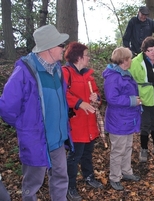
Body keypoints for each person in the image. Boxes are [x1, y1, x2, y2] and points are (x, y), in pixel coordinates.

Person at [0, 24, 71, 201]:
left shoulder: (58, 70)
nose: (64, 48)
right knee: (32, 186)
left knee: (61, 179)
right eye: (60, 45)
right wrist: (27, 126)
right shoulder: (24, 72)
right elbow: (6, 107)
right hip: (36, 142)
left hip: (58, 140)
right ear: (49, 48)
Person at [62, 42, 103, 201]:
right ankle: (69, 186)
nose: (89, 58)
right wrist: (79, 103)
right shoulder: (65, 72)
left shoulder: (88, 75)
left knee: (87, 153)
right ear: (78, 57)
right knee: (74, 156)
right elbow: (62, 93)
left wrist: (96, 98)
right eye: (86, 55)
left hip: (89, 123)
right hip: (75, 125)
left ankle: (89, 176)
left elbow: (97, 95)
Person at [102, 47, 142, 191]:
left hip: (128, 118)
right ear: (124, 60)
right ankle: (115, 177)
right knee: (118, 150)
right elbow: (112, 98)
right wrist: (132, 101)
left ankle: (126, 171)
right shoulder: (114, 77)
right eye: (130, 58)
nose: (131, 60)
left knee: (127, 147)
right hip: (118, 119)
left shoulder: (124, 74)